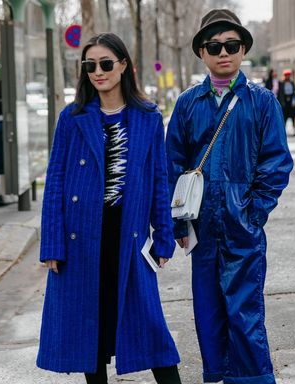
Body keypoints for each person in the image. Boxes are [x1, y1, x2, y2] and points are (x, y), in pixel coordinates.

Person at [36, 33, 182, 384]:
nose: (98, 72)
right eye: (90, 66)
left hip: (129, 236)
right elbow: (55, 181)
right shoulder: (72, 118)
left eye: (105, 64)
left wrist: (164, 237)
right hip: (81, 237)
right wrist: (52, 245)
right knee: (92, 332)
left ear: (123, 66)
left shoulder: (147, 117)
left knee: (149, 327)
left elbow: (159, 180)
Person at [166, 9, 293, 384]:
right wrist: (179, 222)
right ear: (202, 53)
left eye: (232, 45)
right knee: (208, 310)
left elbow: (276, 163)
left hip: (244, 226)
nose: (224, 52)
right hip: (201, 228)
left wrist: (254, 213)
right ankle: (219, 376)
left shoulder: (261, 102)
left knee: (245, 309)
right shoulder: (188, 103)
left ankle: (253, 379)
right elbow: (171, 164)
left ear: (243, 50)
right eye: (214, 46)